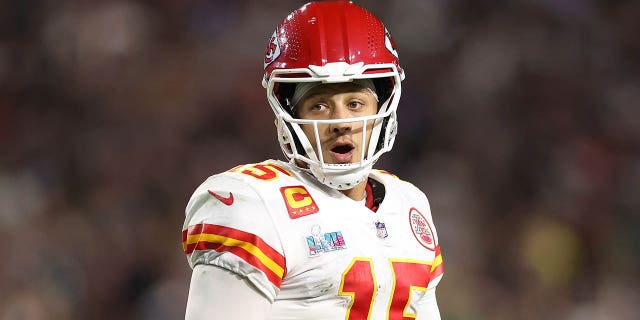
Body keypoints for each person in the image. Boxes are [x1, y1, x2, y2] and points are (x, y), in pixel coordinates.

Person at [181, 1, 444, 319]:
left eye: (356, 103)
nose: (341, 122)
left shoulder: (408, 205)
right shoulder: (254, 204)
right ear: (290, 116)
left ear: (381, 109)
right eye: (319, 105)